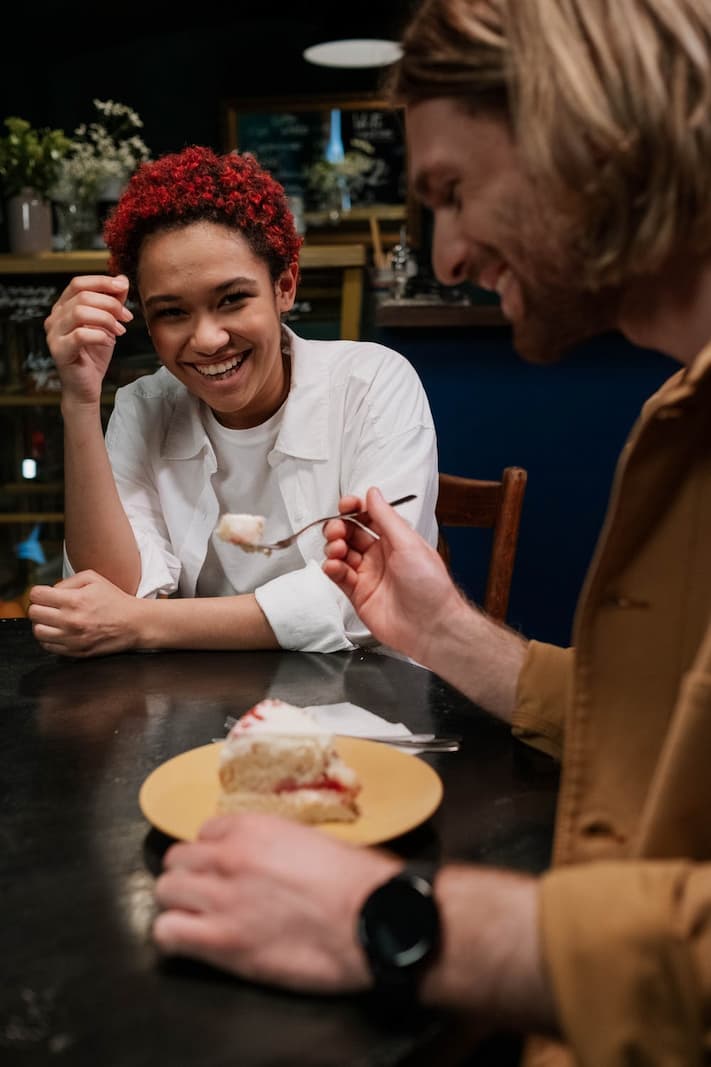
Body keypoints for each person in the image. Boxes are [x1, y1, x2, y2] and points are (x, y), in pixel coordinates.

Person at [152, 2, 711, 1064]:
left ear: (597, 127)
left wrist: (407, 919)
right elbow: (661, 731)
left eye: (453, 192)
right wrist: (448, 632)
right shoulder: (681, 411)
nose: (447, 257)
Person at [29, 146, 438, 657]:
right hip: (195, 715)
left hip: (370, 703)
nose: (206, 339)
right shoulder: (145, 405)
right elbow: (108, 596)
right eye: (172, 312)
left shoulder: (373, 384)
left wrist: (144, 623)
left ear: (284, 285)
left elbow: (365, 596)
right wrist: (80, 401)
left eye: (232, 299)